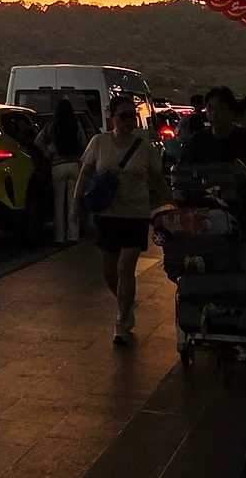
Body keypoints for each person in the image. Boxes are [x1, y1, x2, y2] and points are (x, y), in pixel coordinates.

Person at [73, 96, 170, 345]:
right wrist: (76, 201)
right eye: (123, 116)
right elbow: (86, 171)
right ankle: (125, 303)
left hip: (135, 214)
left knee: (125, 267)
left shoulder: (144, 148)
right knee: (109, 270)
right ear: (112, 118)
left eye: (131, 116)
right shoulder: (99, 143)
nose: (128, 121)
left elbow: (157, 178)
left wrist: (170, 203)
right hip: (107, 215)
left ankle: (122, 320)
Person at [38, 97, 84, 244]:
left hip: (57, 166)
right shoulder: (76, 125)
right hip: (74, 165)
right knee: (72, 201)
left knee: (58, 203)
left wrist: (48, 152)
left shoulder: (51, 126)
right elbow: (84, 144)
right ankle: (73, 235)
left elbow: (37, 142)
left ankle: (59, 236)